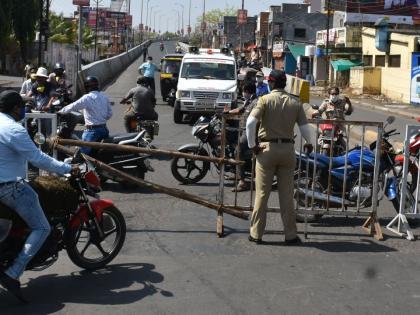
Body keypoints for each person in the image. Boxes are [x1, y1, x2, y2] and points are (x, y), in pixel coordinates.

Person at [0, 90, 78, 301]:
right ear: (16, 108)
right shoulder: (13, 129)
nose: (24, 109)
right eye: (22, 106)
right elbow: (37, 159)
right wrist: (66, 168)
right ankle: (13, 272)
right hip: (8, 187)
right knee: (42, 227)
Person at [246, 70, 314, 245]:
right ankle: (290, 235)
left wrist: (252, 145)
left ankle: (256, 234)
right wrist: (309, 143)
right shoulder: (295, 102)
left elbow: (250, 122)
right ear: (285, 84)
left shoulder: (264, 100)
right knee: (286, 195)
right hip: (287, 151)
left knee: (262, 194)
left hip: (266, 150)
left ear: (271, 83)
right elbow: (305, 127)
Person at [59, 76, 112, 154]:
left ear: (86, 87)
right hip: (104, 129)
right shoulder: (104, 96)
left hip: (92, 132)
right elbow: (110, 114)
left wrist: (60, 112)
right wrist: (101, 118)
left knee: (82, 154)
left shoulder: (87, 98)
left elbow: (73, 106)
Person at [226, 81, 258, 192]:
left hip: (250, 132)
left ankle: (243, 181)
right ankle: (238, 173)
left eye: (243, 91)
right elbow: (241, 110)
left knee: (237, 151)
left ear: (248, 91)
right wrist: (226, 113)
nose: (242, 93)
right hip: (244, 131)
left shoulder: (256, 102)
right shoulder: (249, 101)